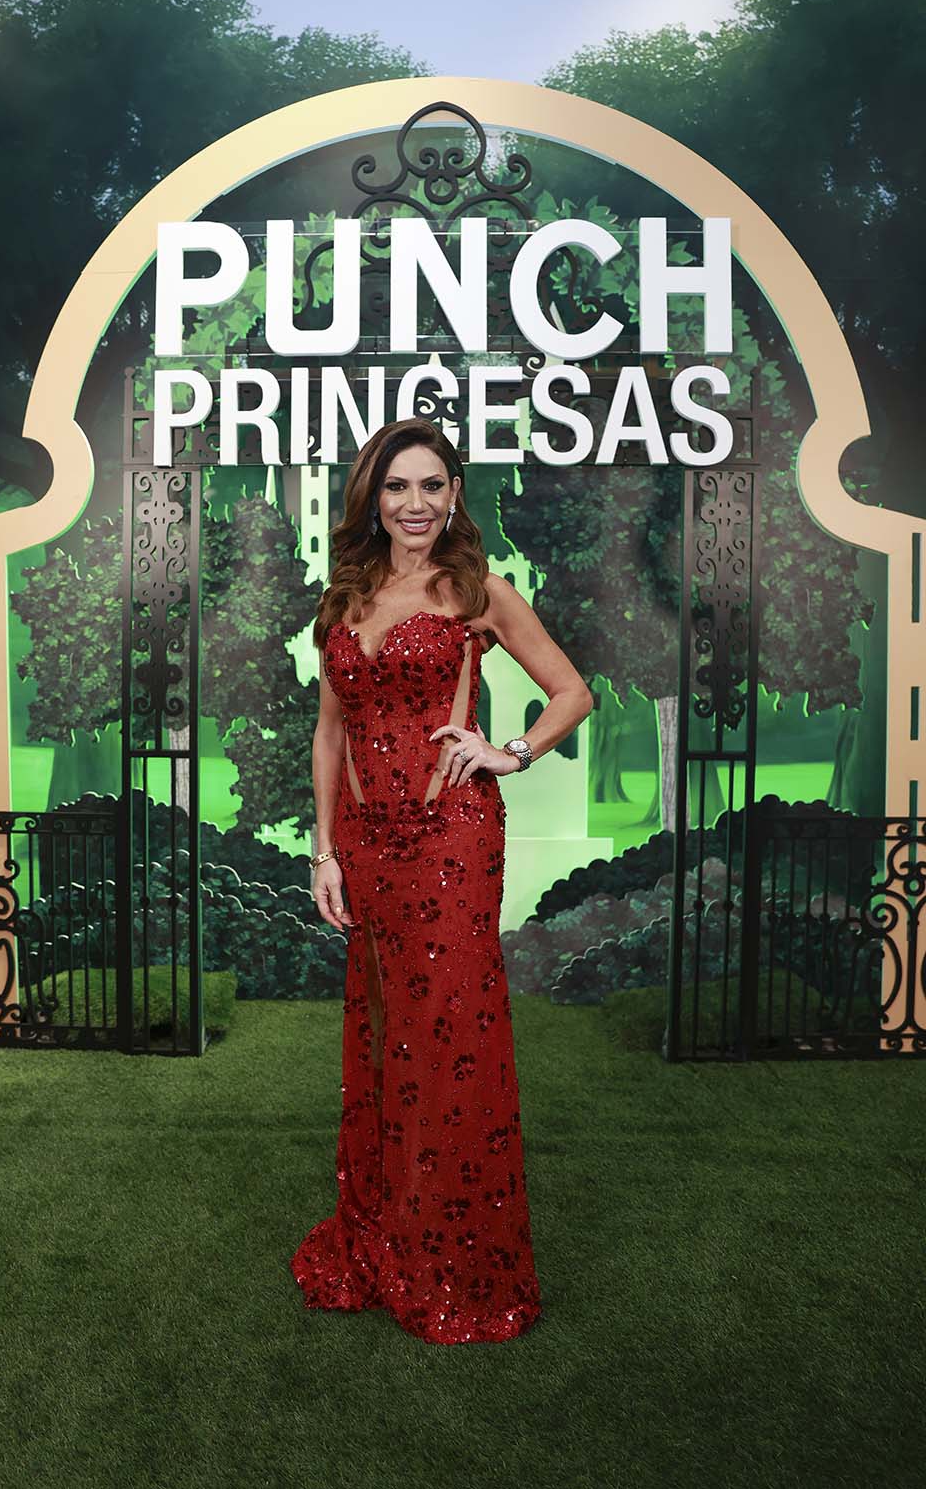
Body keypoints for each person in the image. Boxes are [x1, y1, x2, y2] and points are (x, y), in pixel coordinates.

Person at [291, 417, 593, 1344]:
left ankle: (459, 1258)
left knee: (451, 1036)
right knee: (387, 1039)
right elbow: (331, 734)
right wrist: (325, 852)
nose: (414, 503)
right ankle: (388, 1233)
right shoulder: (346, 598)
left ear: (455, 494)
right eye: (397, 487)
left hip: (452, 841)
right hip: (365, 846)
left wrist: (511, 752)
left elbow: (574, 692)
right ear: (373, 499)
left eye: (431, 485)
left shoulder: (479, 593)